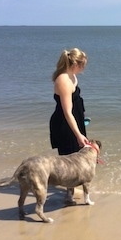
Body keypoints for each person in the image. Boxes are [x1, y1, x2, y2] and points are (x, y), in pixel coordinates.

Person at [50, 48, 90, 205]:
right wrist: (79, 134)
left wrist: (83, 119)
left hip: (76, 119)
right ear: (75, 64)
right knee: (69, 158)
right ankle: (68, 195)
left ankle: (71, 188)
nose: (84, 69)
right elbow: (67, 112)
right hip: (65, 124)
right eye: (83, 65)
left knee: (77, 155)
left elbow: (75, 103)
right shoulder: (63, 80)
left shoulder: (72, 76)